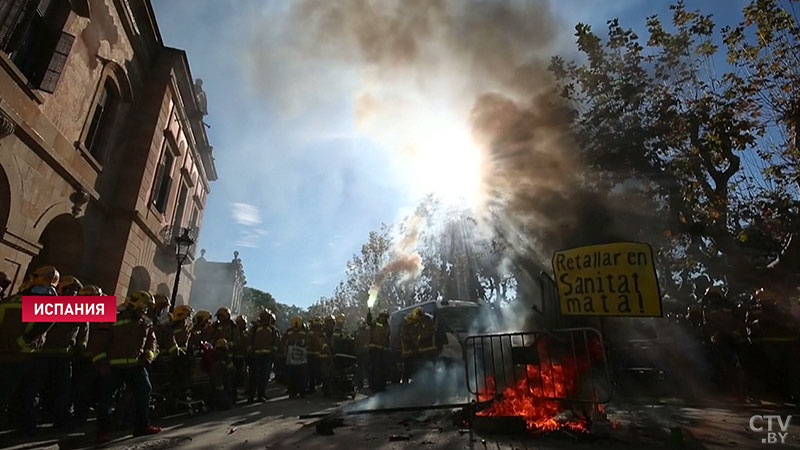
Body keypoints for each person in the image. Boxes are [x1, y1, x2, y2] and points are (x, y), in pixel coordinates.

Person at [92, 290, 161, 444]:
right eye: (143, 307)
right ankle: (102, 432)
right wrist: (101, 363)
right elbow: (99, 343)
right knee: (106, 400)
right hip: (113, 367)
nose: (144, 310)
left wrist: (149, 355)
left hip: (136, 366)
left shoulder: (146, 322)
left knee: (145, 391)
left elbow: (152, 341)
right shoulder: (112, 317)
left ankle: (142, 426)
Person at [0, 265, 58, 433]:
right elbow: (45, 324)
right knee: (28, 393)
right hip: (28, 354)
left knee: (4, 392)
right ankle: (25, 426)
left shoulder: (9, 300)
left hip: (4, 352)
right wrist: (24, 340)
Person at [31, 276, 89, 428]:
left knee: (62, 391)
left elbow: (83, 334)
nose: (73, 294)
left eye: (76, 291)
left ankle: (59, 420)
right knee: (35, 388)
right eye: (70, 290)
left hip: (64, 357)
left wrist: (80, 351)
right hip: (42, 355)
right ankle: (28, 420)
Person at [248, 309, 280, 402]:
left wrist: (273, 352)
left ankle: (261, 395)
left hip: (267, 357)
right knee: (253, 377)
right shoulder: (255, 328)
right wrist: (250, 350)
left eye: (267, 317)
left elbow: (276, 342)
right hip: (255, 356)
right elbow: (250, 339)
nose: (265, 319)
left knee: (264, 377)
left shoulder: (273, 330)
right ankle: (251, 396)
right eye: (264, 317)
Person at [281, 315, 308, 398]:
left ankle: (300, 392)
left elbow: (308, 341)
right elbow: (283, 340)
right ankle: (293, 391)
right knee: (293, 375)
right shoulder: (290, 332)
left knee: (300, 375)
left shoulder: (304, 331)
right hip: (292, 357)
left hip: (300, 357)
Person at [365, 309, 390, 393]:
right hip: (375, 350)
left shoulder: (387, 326)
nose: (384, 318)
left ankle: (382, 386)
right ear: (380, 316)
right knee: (376, 370)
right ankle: (375, 388)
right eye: (383, 316)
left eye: (385, 317)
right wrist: (369, 314)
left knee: (384, 369)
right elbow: (369, 322)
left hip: (384, 351)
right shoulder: (375, 322)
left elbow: (387, 338)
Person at [401, 312, 418, 383]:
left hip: (412, 352)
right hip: (407, 353)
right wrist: (413, 339)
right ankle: (405, 384)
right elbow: (405, 338)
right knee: (407, 370)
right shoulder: (405, 328)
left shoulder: (412, 327)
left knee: (413, 369)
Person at [354, 319, 370, 389]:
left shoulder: (368, 332)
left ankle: (368, 381)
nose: (361, 324)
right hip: (359, 353)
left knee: (367, 368)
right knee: (359, 368)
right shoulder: (356, 332)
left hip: (366, 353)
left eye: (362, 323)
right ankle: (359, 383)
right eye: (360, 323)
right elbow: (354, 342)